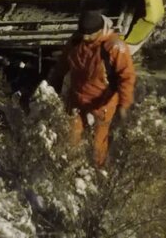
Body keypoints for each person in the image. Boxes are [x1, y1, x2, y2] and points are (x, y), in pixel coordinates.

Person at [48, 10, 136, 168]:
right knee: (70, 139)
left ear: (100, 30)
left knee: (98, 145)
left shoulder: (114, 47)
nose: (85, 38)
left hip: (102, 103)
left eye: (89, 35)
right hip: (77, 98)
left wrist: (124, 103)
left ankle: (98, 171)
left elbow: (126, 76)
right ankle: (70, 171)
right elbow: (62, 64)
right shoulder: (76, 40)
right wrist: (53, 83)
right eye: (82, 34)